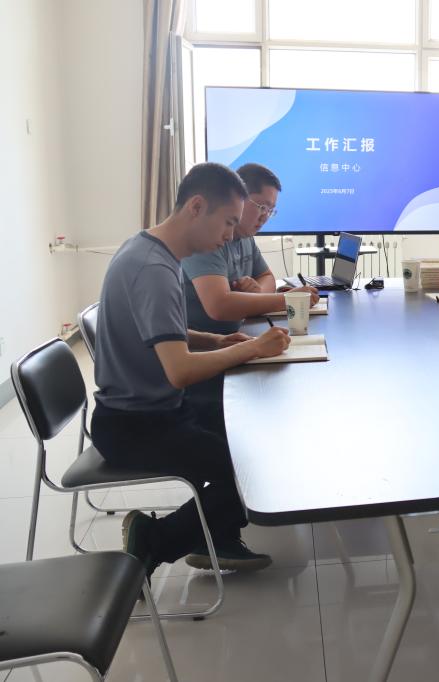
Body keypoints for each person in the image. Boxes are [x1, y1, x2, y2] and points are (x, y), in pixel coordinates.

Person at [91, 162, 292, 577]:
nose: (230, 236)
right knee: (251, 473)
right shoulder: (154, 270)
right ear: (197, 207)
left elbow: (162, 331)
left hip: (148, 411)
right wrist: (252, 348)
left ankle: (209, 537)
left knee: (251, 441)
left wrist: (216, 341)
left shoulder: (147, 250)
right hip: (137, 424)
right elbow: (179, 371)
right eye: (228, 222)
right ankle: (153, 540)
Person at [182, 163, 319, 335]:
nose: (265, 217)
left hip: (239, 334)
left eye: (270, 210)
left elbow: (267, 277)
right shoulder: (208, 235)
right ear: (238, 198)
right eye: (262, 207)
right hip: (207, 344)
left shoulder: (246, 236)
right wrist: (290, 299)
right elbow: (219, 305)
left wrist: (257, 293)